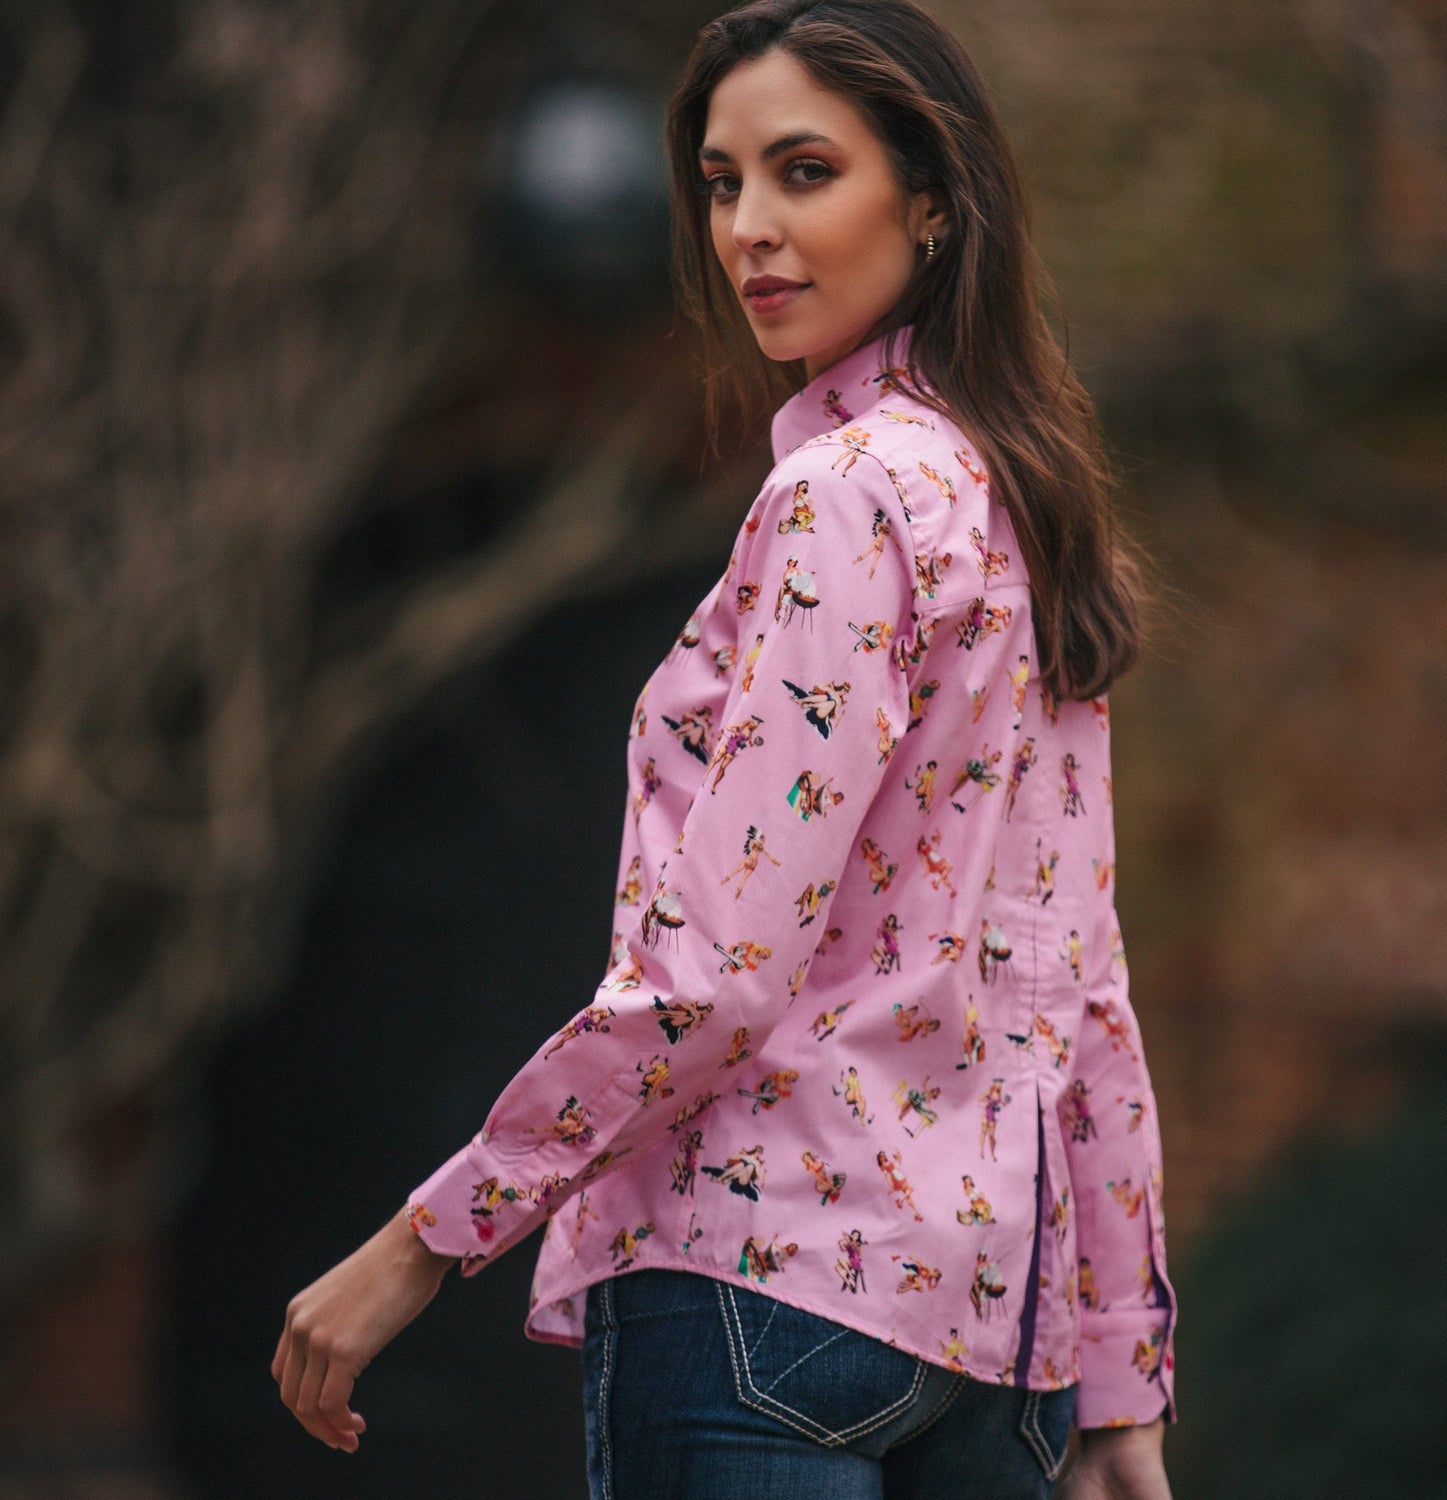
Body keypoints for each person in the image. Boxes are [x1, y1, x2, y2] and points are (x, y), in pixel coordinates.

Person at [272, 3, 1179, 1496]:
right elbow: (1081, 992)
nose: (748, 226)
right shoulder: (1025, 516)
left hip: (763, 1301)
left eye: (804, 171)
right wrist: (1119, 1382)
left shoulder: (841, 500)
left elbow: (721, 973)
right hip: (995, 1350)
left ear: (934, 202)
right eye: (719, 181)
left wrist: (425, 1241)